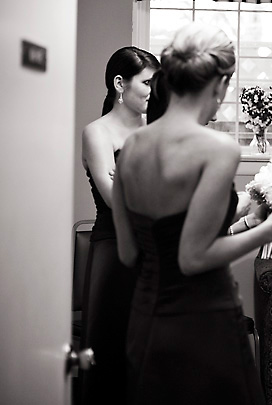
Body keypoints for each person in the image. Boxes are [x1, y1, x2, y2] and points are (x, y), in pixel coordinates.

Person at [111, 22, 272, 405]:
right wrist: (271, 229)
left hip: (145, 319)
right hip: (202, 321)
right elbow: (194, 256)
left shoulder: (132, 147)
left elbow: (130, 252)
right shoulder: (217, 148)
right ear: (220, 83)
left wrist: (247, 218)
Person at [80, 46, 159, 404]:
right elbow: (114, 199)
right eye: (147, 83)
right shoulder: (97, 133)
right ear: (119, 84)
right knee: (111, 352)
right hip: (114, 252)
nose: (154, 92)